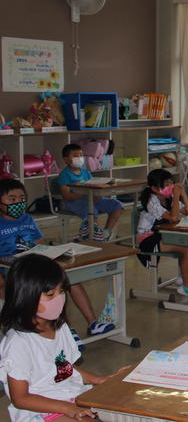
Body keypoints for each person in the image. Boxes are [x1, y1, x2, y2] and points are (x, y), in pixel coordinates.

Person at [0, 254, 128, 422]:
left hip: (71, 395)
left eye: (61, 291)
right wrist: (68, 408)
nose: (59, 299)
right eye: (50, 294)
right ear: (25, 297)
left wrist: (99, 380)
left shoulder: (59, 327)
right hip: (40, 409)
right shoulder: (18, 342)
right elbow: (20, 398)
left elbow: (64, 367)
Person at [0, 178, 114, 340]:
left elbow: (39, 243)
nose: (17, 203)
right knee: (46, 288)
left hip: (34, 262)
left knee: (68, 278)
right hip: (13, 269)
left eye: (21, 198)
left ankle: (93, 323)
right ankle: (61, 330)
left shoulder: (27, 219)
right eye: (12, 199)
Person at [136, 169, 188, 297]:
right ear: (154, 188)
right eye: (166, 184)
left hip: (165, 234)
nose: (171, 186)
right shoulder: (152, 201)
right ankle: (187, 286)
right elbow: (174, 218)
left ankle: (184, 275)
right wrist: (176, 196)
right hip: (149, 239)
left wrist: (183, 193)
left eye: (171, 183)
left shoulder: (169, 198)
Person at [57, 144, 123, 241]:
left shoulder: (85, 171)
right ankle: (93, 236)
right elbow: (67, 196)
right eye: (75, 156)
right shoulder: (64, 174)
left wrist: (102, 193)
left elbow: (92, 185)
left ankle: (105, 233)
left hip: (91, 199)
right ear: (66, 159)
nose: (79, 158)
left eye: (81, 155)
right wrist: (85, 196)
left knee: (116, 205)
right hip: (74, 202)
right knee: (91, 211)